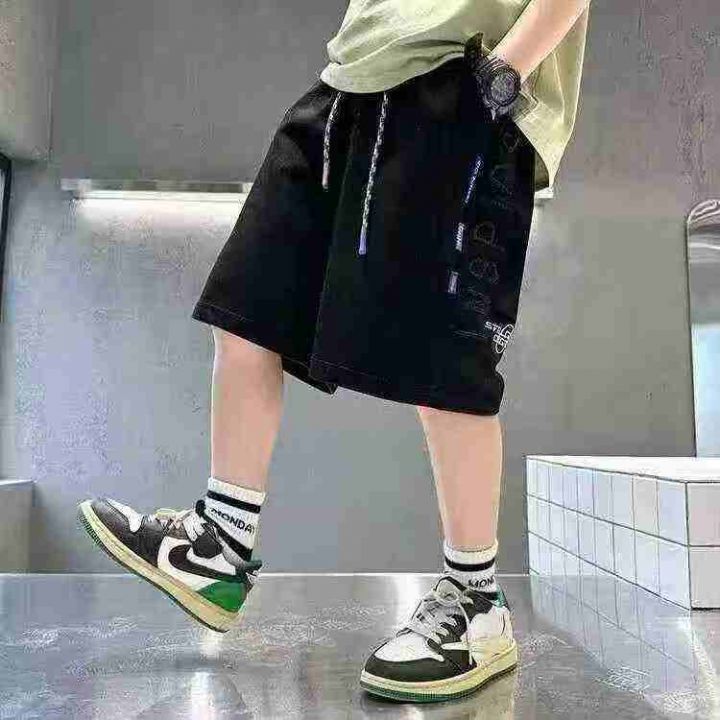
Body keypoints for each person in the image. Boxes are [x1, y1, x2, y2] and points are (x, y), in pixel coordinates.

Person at [78, 0, 591, 703]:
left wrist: (499, 77)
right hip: (349, 76)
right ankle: (220, 545)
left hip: (459, 81)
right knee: (247, 307)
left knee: (447, 367)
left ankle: (476, 600)